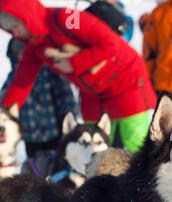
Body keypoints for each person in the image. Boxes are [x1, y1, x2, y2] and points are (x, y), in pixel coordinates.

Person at [0, 0, 157, 153]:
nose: (16, 34)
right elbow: (20, 82)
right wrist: (3, 114)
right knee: (92, 151)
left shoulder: (65, 17)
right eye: (11, 30)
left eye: (16, 26)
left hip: (126, 82)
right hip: (92, 95)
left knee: (135, 147)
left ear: (26, 16)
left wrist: (73, 63)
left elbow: (110, 43)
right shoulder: (35, 45)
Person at [0, 39, 78, 158]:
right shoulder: (13, 77)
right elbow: (6, 103)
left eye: (24, 52)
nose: (22, 56)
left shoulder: (49, 72)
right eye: (19, 53)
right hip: (30, 135)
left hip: (53, 131)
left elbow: (65, 95)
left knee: (55, 165)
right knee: (35, 169)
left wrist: (67, 115)